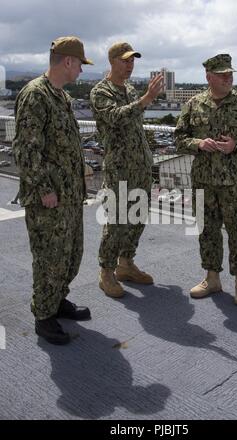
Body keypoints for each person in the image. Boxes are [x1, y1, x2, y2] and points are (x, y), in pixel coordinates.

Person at [13, 36, 93, 344]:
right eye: (80, 65)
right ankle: (44, 315)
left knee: (71, 255)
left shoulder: (61, 96)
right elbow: (26, 150)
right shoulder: (36, 95)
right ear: (68, 61)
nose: (82, 72)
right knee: (49, 258)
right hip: (48, 198)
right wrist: (44, 188)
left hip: (69, 195)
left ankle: (57, 300)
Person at [175, 54, 237, 306]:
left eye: (230, 73)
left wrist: (236, 146)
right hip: (203, 181)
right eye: (223, 74)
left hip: (233, 182)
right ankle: (212, 277)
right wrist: (198, 143)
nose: (229, 78)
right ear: (209, 76)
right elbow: (179, 138)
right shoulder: (194, 104)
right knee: (207, 231)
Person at [90, 42, 163, 298]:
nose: (130, 65)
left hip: (140, 165)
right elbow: (116, 117)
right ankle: (106, 272)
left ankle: (126, 263)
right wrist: (146, 99)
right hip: (119, 168)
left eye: (132, 61)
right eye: (125, 61)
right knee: (117, 220)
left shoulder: (130, 88)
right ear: (112, 61)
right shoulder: (101, 91)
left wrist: (142, 99)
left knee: (137, 216)